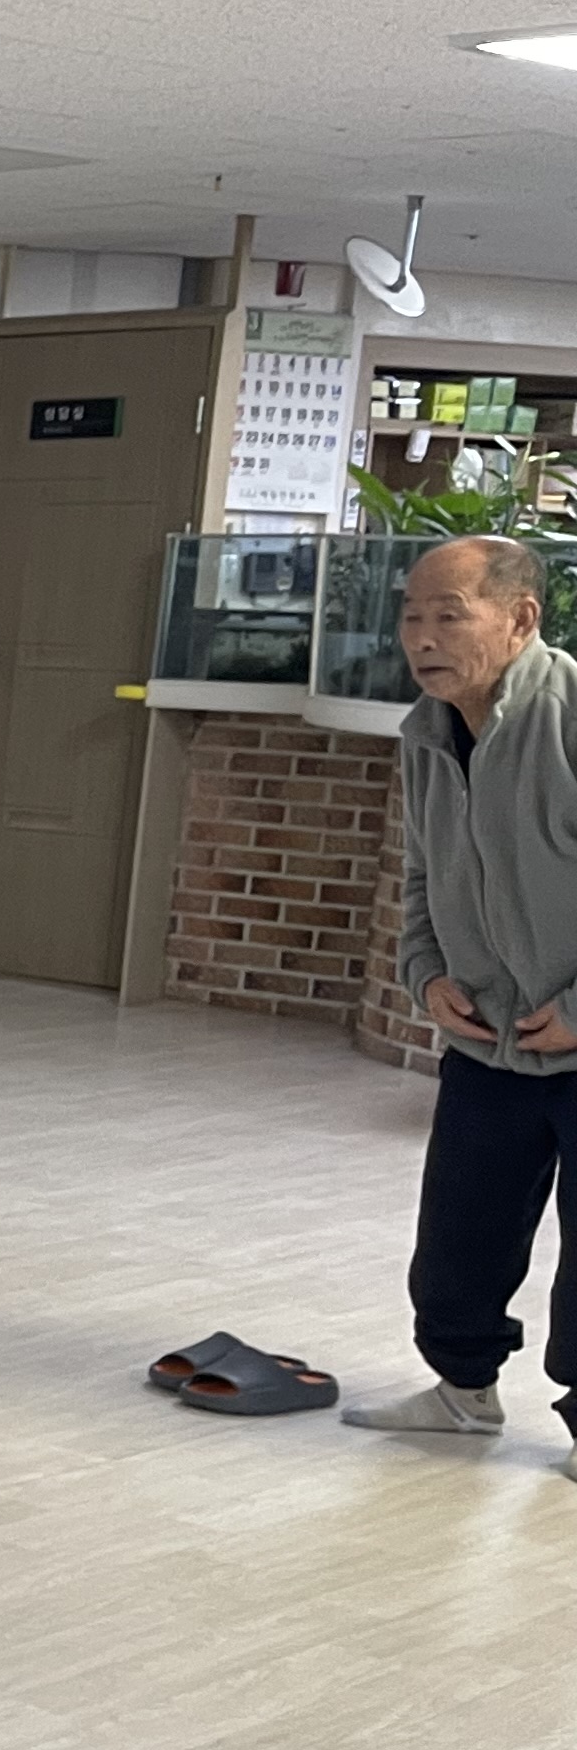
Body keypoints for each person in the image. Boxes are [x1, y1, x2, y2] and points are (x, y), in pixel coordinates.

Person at [344, 532, 577, 1466]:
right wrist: (426, 975)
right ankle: (462, 1393)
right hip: (487, 1036)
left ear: (520, 619)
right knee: (457, 1240)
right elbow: (419, 875)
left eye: (449, 615)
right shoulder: (428, 732)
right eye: (411, 616)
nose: (422, 637)